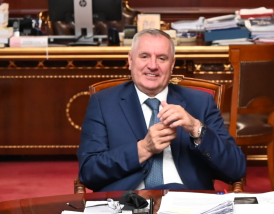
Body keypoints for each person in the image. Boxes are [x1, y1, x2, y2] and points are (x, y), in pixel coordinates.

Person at [78, 29, 246, 191]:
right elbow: (88, 172)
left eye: (162, 58)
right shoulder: (103, 103)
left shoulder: (200, 102)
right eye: (144, 56)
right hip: (128, 203)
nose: (153, 66)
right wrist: (143, 149)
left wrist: (197, 129)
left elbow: (236, 169)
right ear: (130, 60)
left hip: (187, 203)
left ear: (172, 64)